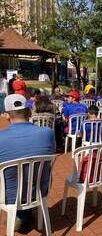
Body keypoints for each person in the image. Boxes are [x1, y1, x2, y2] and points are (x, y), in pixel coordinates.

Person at [0, 94, 55, 230]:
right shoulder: (48, 133)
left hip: (9, 196)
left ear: (6, 115)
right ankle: (24, 214)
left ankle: (21, 216)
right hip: (39, 191)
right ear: (30, 112)